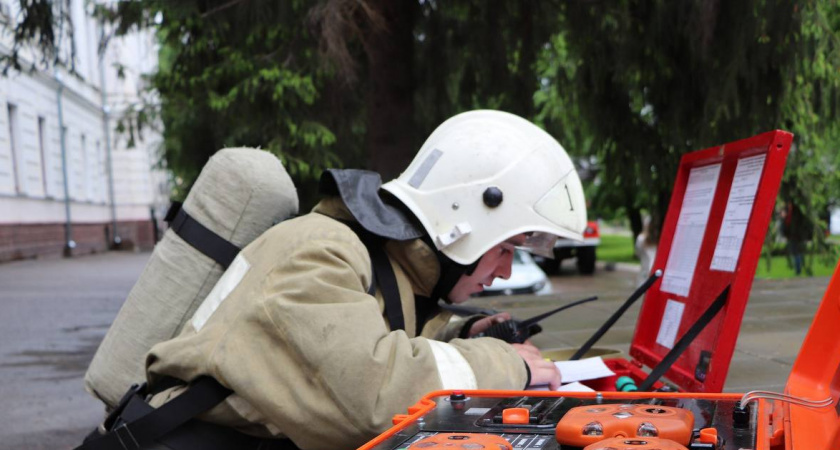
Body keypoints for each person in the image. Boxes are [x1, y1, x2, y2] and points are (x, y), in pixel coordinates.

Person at [143, 110, 588, 449]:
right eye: (505, 249)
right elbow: (371, 398)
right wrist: (510, 365)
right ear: (465, 224)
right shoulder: (320, 252)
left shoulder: (384, 267)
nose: (507, 271)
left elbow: (369, 336)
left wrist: (462, 332)